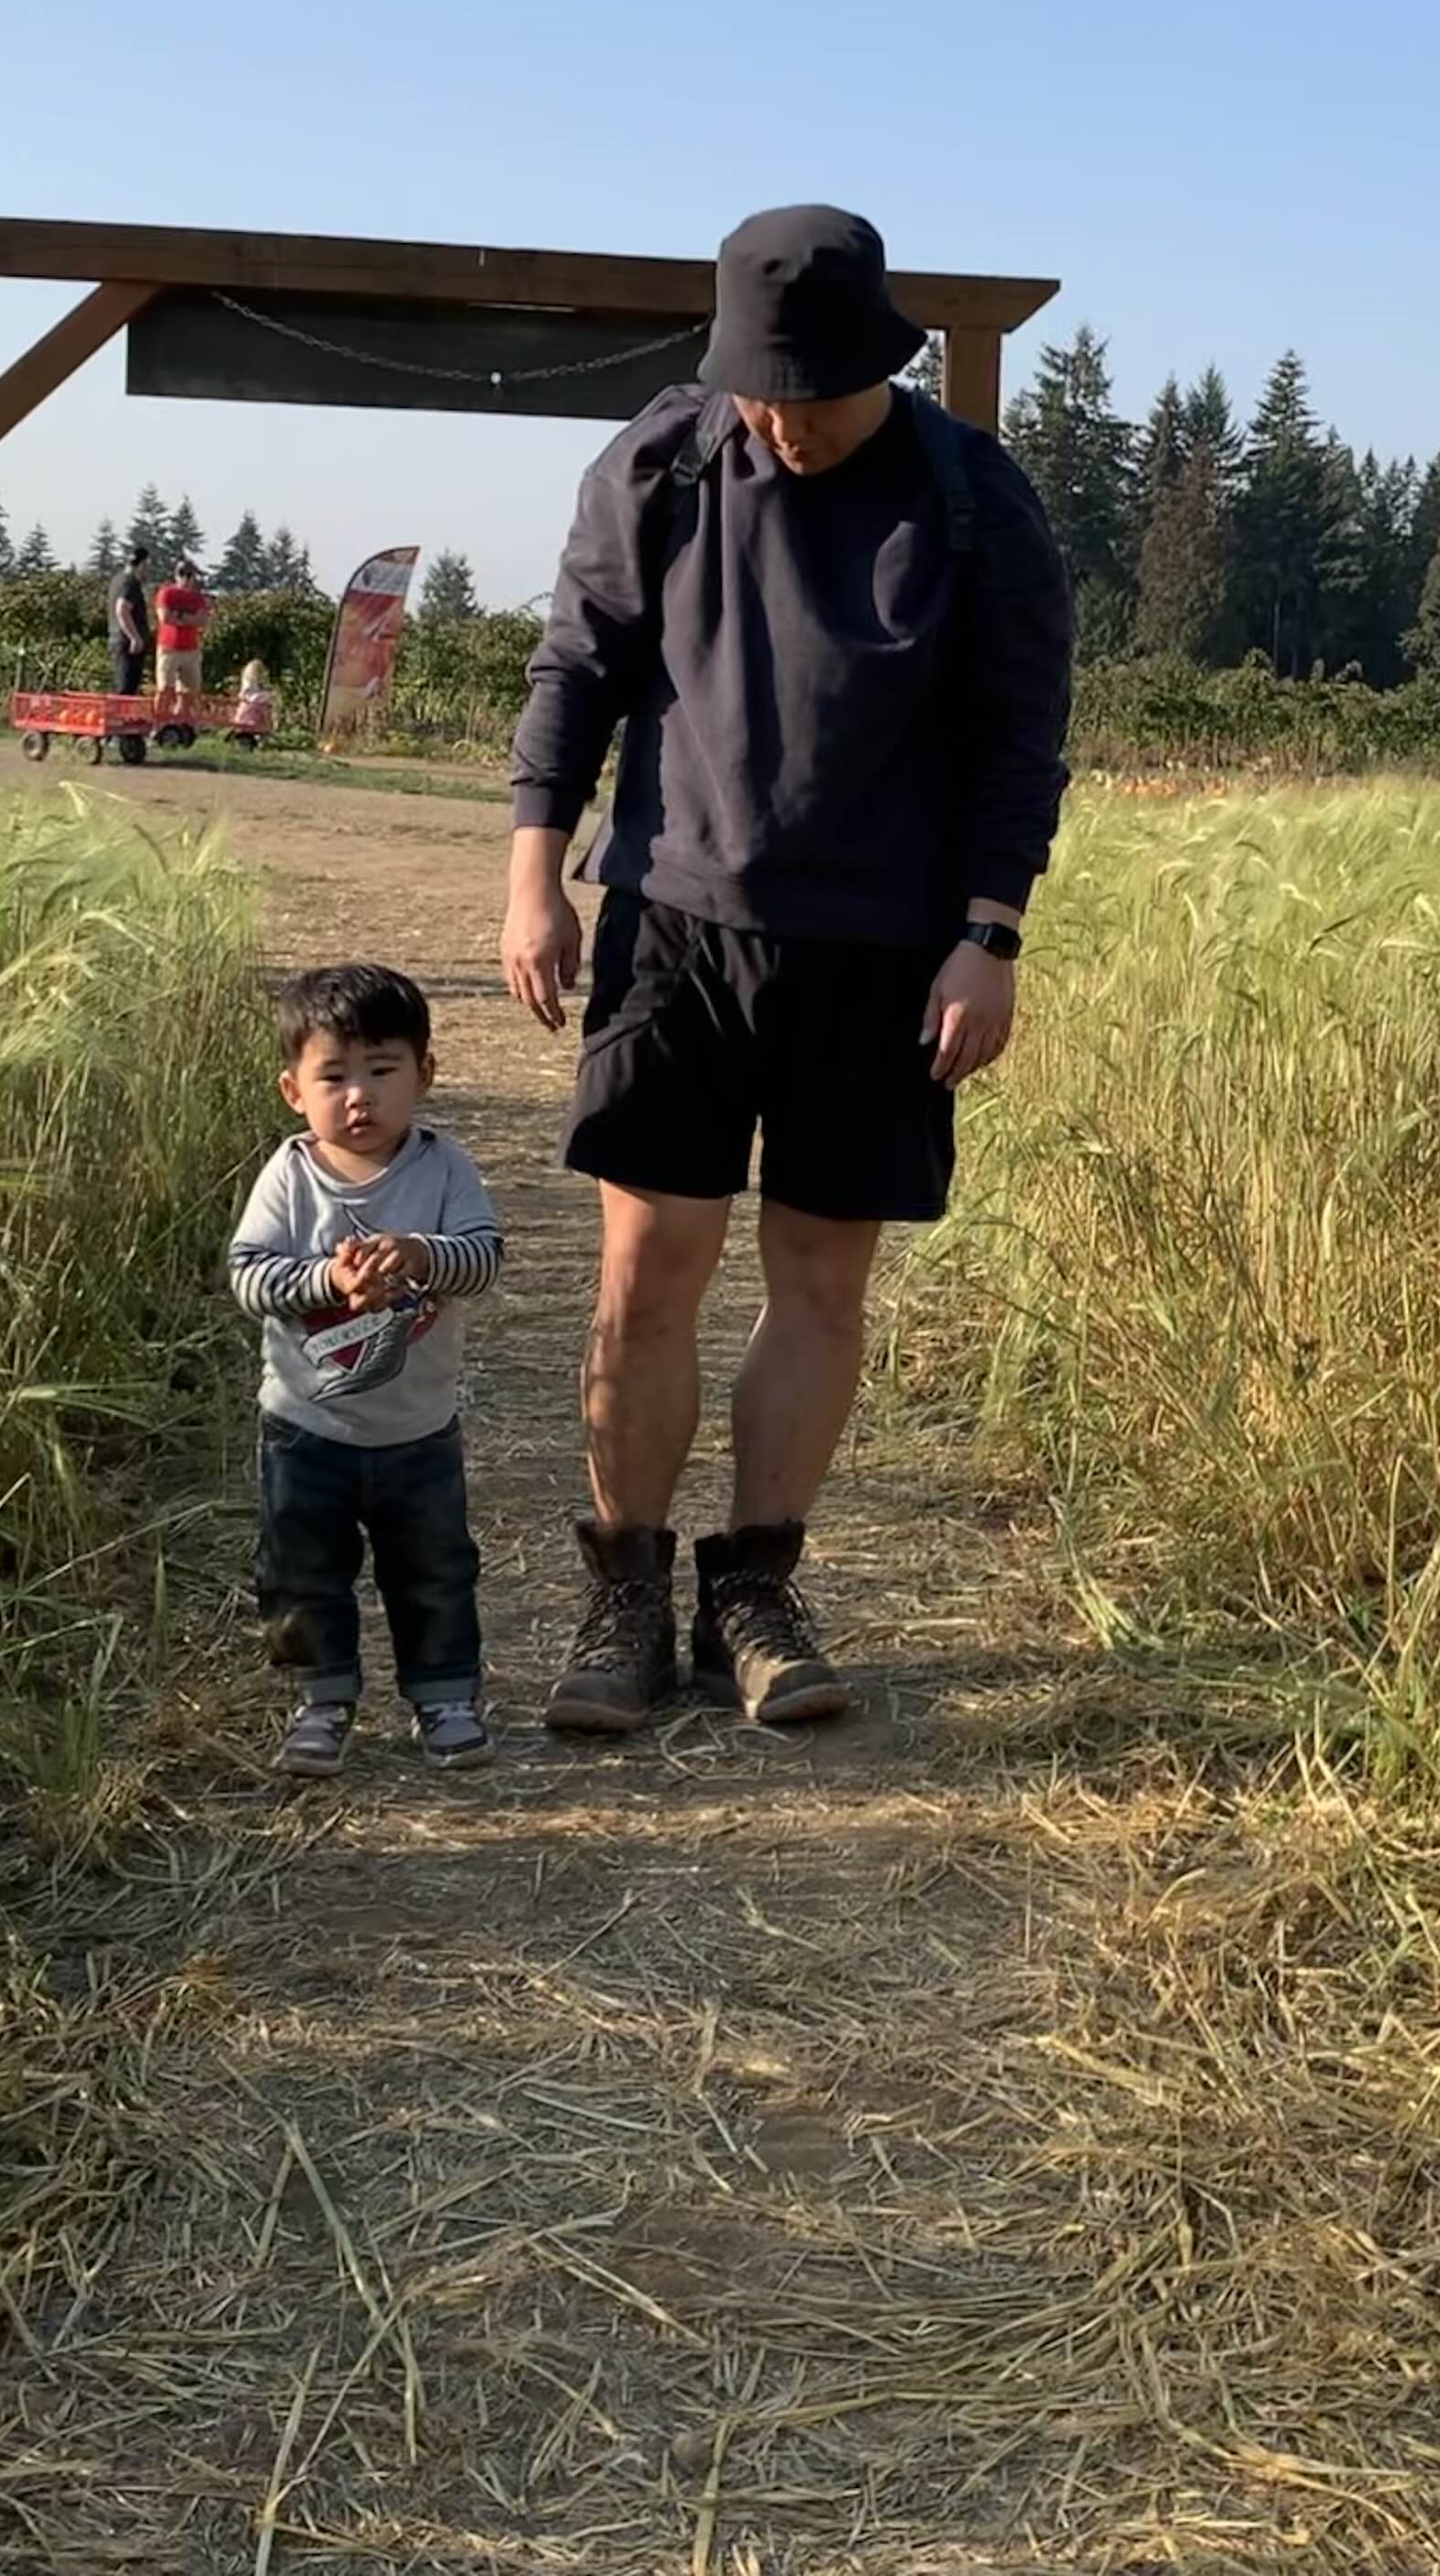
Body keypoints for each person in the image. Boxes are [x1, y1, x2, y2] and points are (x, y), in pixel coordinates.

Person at [501, 202, 1073, 1735]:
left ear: (880, 361)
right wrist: (531, 878)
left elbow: (1017, 736)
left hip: (884, 950)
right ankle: (623, 1595)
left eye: (806, 397)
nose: (780, 423)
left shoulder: (972, 500)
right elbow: (576, 669)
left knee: (820, 1273)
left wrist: (990, 934)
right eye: (756, 392)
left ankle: (752, 1591)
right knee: (648, 1266)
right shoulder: (664, 461)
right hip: (673, 923)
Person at [227, 963, 504, 1776]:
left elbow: (484, 1259)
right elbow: (249, 1276)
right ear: (293, 1091)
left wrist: (421, 1254)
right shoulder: (289, 1176)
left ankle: (445, 1697)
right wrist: (327, 1279)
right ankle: (322, 1701)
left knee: (435, 1571)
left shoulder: (445, 1170)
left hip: (418, 1431)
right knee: (301, 1573)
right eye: (334, 1077)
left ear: (425, 1074)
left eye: (383, 1071)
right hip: (304, 1430)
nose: (360, 1097)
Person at [152, 554, 208, 710]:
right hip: (169, 648)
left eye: (190, 575)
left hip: (191, 648)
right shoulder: (167, 593)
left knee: (189, 692)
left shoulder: (197, 598)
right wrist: (189, 619)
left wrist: (179, 616)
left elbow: (202, 620)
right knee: (165, 689)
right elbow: (165, 617)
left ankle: (181, 719)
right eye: (183, 574)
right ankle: (160, 718)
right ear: (177, 575)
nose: (187, 579)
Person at [109, 546, 153, 697]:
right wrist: (134, 637)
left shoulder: (118, 580)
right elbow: (122, 609)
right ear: (142, 564)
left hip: (119, 640)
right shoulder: (130, 583)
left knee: (125, 686)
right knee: (126, 689)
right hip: (127, 643)